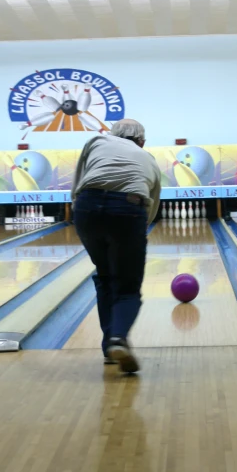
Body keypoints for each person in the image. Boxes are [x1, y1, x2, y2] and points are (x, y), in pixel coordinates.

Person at [72, 118, 161, 373]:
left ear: (111, 133)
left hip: (87, 206)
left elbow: (80, 180)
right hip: (129, 208)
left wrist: (78, 208)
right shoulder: (149, 158)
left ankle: (108, 349)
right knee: (128, 286)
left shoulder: (97, 141)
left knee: (105, 275)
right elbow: (152, 203)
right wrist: (137, 233)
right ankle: (118, 338)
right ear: (142, 141)